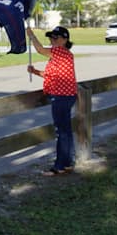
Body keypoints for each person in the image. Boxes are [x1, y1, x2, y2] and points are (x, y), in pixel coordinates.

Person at [27, 25, 78, 175]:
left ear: (64, 40)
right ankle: (67, 163)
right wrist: (35, 71)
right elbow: (51, 75)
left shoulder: (60, 51)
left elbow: (40, 50)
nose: (52, 40)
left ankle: (59, 166)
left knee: (61, 132)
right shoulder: (63, 55)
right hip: (66, 96)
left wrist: (31, 36)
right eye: (51, 37)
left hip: (61, 97)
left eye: (55, 37)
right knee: (66, 131)